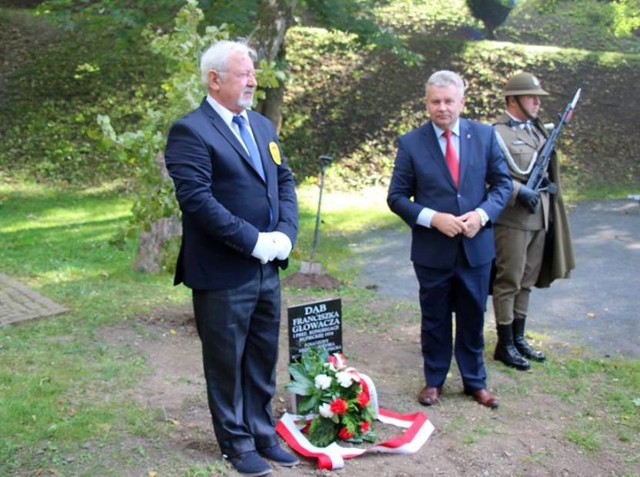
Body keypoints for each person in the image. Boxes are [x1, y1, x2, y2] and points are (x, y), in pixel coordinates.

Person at [164, 40, 299, 476]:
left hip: (266, 268)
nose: (253, 80)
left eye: (253, 73)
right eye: (244, 73)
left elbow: (284, 181)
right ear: (214, 79)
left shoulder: (260, 124)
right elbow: (198, 202)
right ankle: (236, 444)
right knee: (225, 363)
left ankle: (262, 433)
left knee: (261, 355)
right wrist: (254, 241)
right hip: (222, 273)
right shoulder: (191, 131)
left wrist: (285, 235)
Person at [387, 70, 512, 409]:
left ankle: (475, 381)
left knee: (473, 314)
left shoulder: (485, 136)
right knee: (435, 317)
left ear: (462, 102)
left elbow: (502, 186)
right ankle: (434, 381)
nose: (442, 108)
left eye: (448, 101)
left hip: (476, 247)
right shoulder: (411, 143)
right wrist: (433, 219)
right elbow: (396, 197)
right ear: (427, 104)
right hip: (433, 251)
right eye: (435, 101)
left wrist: (481, 215)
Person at [491, 72, 575, 370]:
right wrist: (518, 190)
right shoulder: (496, 133)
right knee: (508, 280)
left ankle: (518, 337)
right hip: (512, 218)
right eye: (531, 96)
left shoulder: (538, 131)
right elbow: (491, 176)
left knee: (526, 280)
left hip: (540, 216)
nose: (538, 102)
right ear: (512, 100)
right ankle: (504, 343)